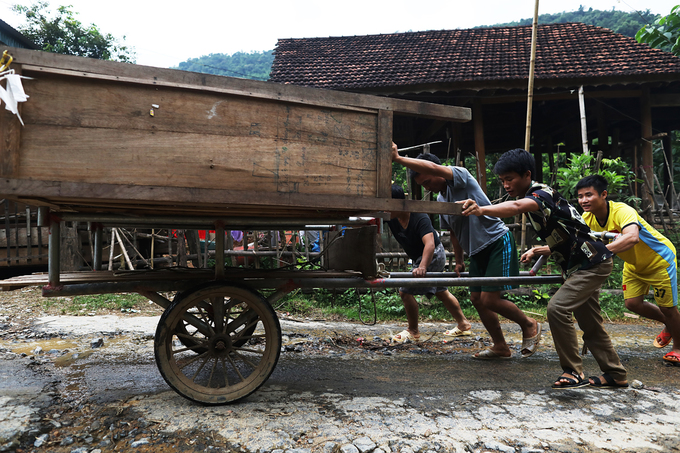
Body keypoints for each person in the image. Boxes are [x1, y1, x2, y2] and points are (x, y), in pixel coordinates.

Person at [461, 148, 628, 389]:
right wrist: (541, 249)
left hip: (591, 263)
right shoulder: (537, 198)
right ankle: (615, 374)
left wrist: (481, 209)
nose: (506, 185)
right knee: (589, 322)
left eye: (510, 179)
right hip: (580, 266)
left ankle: (573, 371)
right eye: (502, 180)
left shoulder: (541, 194)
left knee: (557, 308)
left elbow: (517, 206)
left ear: (526, 175)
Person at [391, 143, 541, 359]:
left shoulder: (461, 177)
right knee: (477, 299)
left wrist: (399, 159)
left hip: (496, 241)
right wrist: (459, 259)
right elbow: (454, 231)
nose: (426, 188)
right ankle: (500, 346)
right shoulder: (442, 200)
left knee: (490, 299)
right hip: (476, 251)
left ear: (435, 171)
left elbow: (435, 169)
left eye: (427, 181)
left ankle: (529, 324)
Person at [576, 174, 680, 364]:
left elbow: (632, 237)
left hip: (659, 260)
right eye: (580, 196)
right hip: (633, 263)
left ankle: (678, 347)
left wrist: (602, 252)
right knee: (632, 304)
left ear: (604, 194)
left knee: (668, 307)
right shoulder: (587, 218)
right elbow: (578, 242)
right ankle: (670, 325)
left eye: (589, 195)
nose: (584, 200)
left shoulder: (622, 211)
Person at [386, 184, 472, 343]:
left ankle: (413, 330)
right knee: (441, 291)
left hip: (433, 255)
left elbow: (430, 244)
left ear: (398, 203)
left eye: (386, 205)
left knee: (405, 291)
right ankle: (463, 324)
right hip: (419, 257)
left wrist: (423, 266)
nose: (384, 209)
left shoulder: (419, 217)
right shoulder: (391, 218)